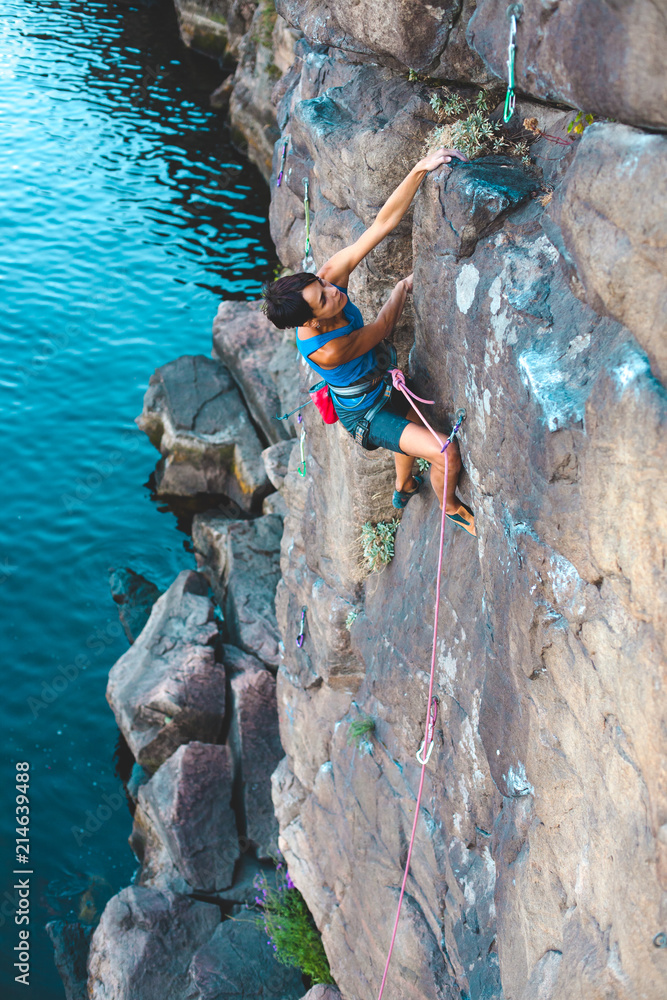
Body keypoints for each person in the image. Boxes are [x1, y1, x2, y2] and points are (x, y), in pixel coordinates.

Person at [262, 147, 475, 536]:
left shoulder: (326, 282)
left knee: (408, 432)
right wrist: (401, 287)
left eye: (323, 284)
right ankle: (448, 505)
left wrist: (419, 167)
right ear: (310, 320)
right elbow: (380, 329)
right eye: (323, 298)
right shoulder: (328, 349)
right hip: (366, 413)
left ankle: (403, 487)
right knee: (443, 448)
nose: (333, 290)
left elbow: (380, 226)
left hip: (380, 383)